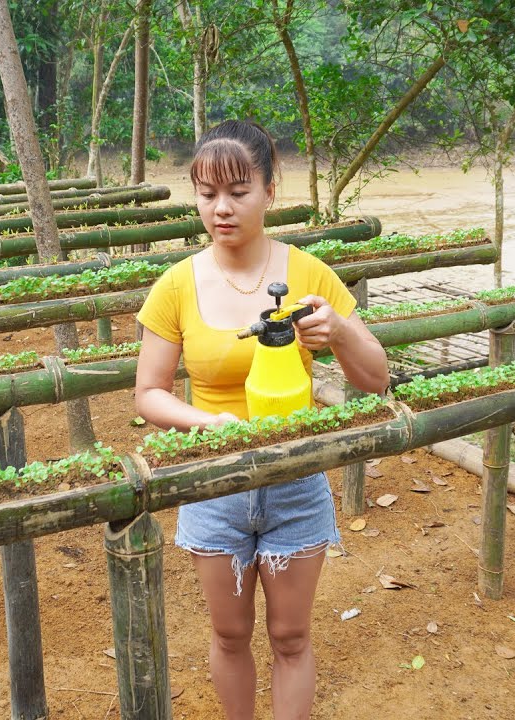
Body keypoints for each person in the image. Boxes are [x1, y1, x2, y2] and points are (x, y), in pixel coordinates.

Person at [134, 119, 389, 718]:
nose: (221, 209)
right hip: (214, 483)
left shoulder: (307, 274)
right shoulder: (176, 285)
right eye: (207, 194)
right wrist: (206, 424)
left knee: (292, 638)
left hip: (297, 483)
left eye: (238, 192)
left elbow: (376, 379)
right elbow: (148, 393)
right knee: (228, 636)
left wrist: (342, 331)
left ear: (271, 191)